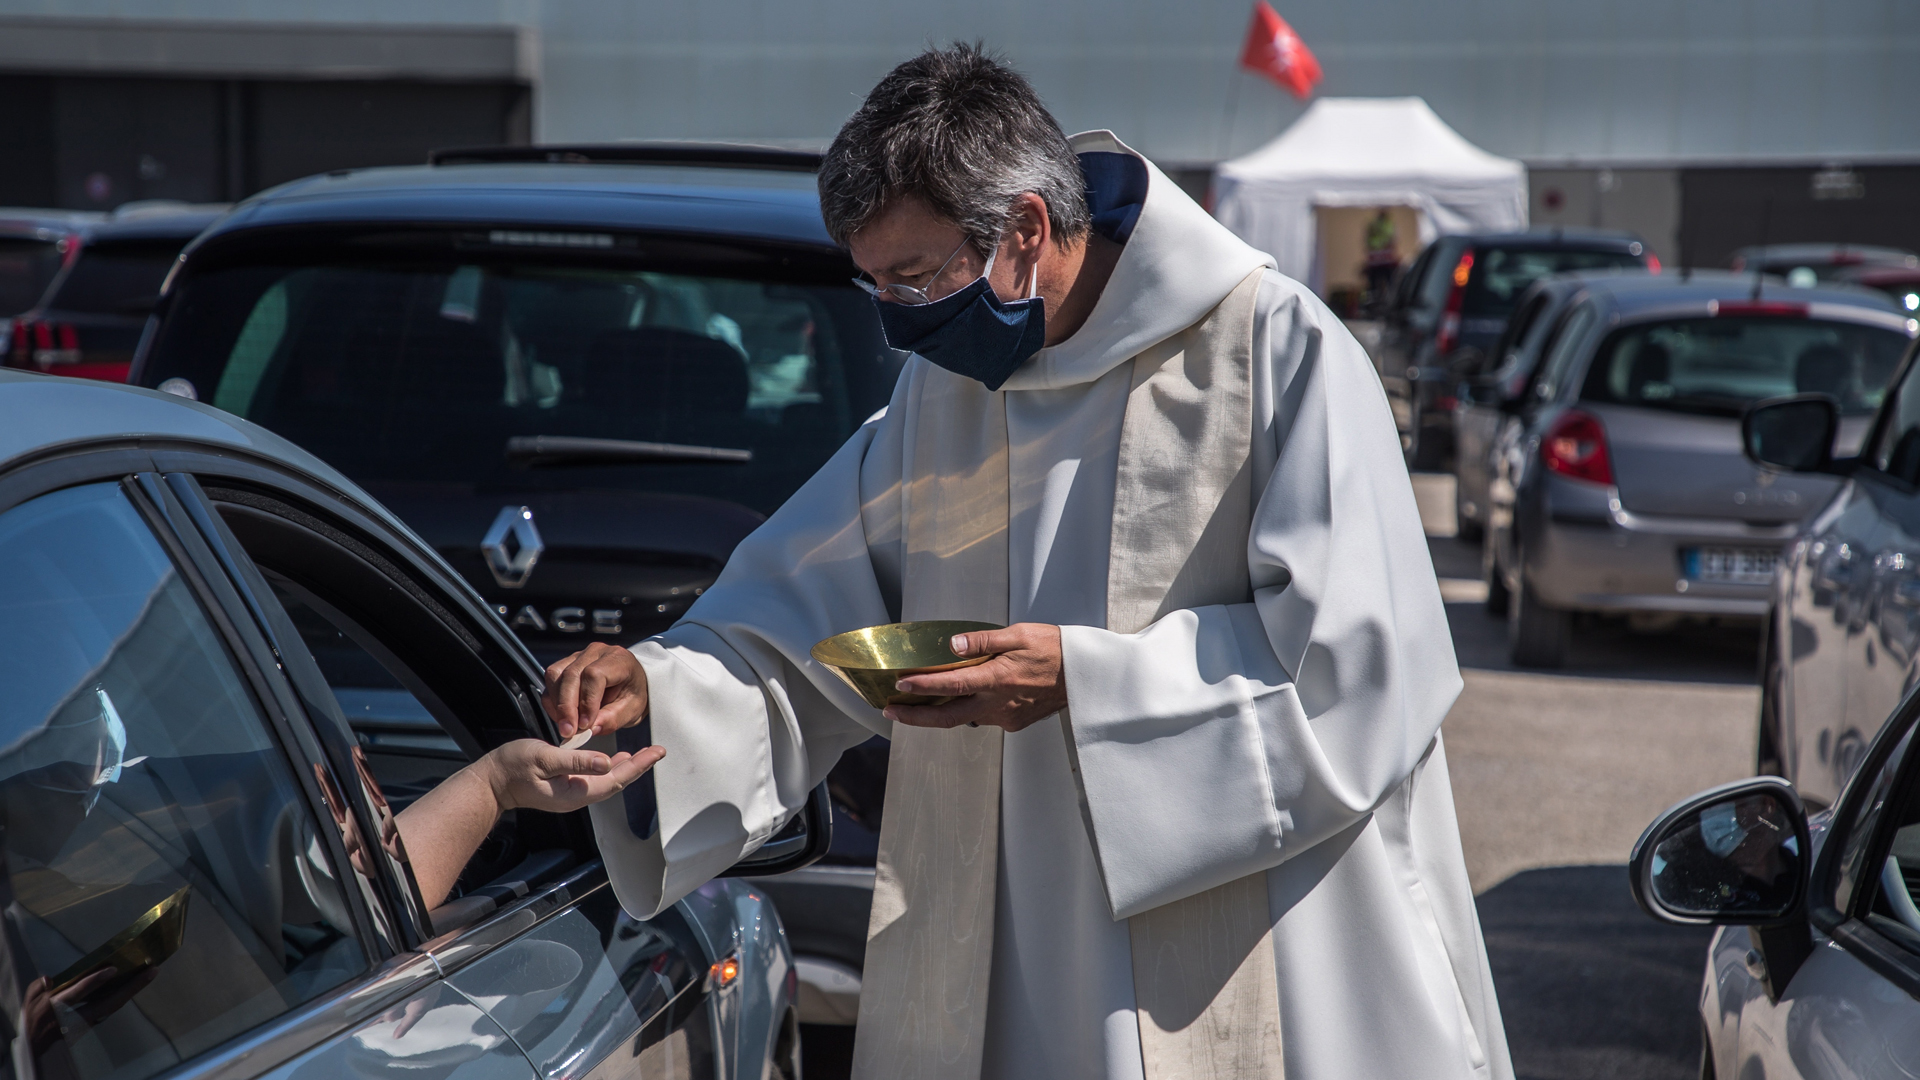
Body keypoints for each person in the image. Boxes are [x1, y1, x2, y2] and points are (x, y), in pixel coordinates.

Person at [544, 44, 1511, 1080]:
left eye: (914, 278)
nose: (897, 320)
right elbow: (806, 605)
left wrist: (1083, 684)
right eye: (873, 285)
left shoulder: (1276, 354)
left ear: (1027, 230)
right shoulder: (943, 393)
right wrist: (662, 681)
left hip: (1261, 948)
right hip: (1006, 946)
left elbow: (1361, 675)